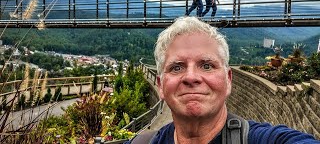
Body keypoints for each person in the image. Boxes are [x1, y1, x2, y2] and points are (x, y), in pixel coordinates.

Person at [126, 16, 319, 144]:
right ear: (160, 85)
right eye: (177, 67)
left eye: (207, 65)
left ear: (228, 80)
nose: (191, 77)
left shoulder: (264, 139)